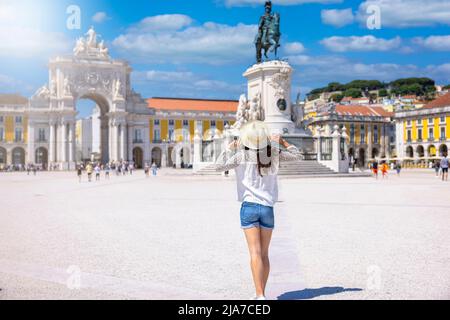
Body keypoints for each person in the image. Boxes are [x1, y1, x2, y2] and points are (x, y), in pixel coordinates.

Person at [215, 121, 302, 300]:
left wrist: (229, 148)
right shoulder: (273, 154)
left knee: (254, 253)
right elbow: (298, 155)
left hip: (249, 207)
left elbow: (219, 166)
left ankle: (260, 294)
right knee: (264, 253)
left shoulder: (241, 156)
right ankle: (261, 292)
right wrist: (283, 142)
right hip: (267, 209)